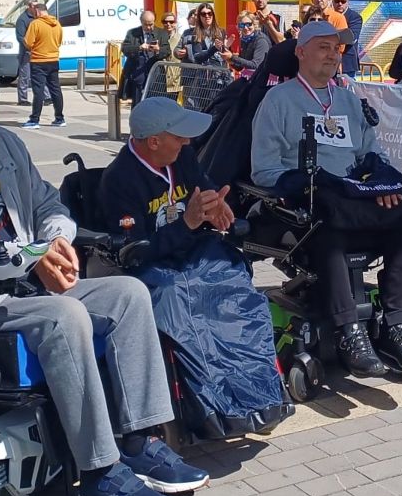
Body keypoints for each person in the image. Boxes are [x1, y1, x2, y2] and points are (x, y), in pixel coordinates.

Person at [0, 61, 209, 496]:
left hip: (27, 283)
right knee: (65, 315)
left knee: (128, 294)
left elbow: (48, 203)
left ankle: (141, 439)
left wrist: (57, 238)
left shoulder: (4, 144)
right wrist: (26, 254)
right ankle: (99, 473)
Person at [97, 97, 288, 438]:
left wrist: (216, 203)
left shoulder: (180, 157)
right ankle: (216, 405)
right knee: (183, 302)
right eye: (179, 136)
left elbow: (202, 186)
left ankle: (261, 393)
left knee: (234, 287)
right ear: (154, 141)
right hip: (156, 266)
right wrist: (187, 223)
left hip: (195, 254)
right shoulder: (119, 180)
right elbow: (134, 253)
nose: (188, 141)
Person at [250, 20, 402, 377]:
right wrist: (305, 182)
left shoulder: (348, 100)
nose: (333, 55)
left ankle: (399, 324)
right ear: (301, 52)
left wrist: (383, 184)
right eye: (324, 47)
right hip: (302, 207)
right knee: (327, 225)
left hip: (350, 199)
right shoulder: (278, 101)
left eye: (337, 49)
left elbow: (371, 154)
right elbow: (263, 171)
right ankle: (349, 331)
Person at [22, 0, 65, 128]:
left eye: (34, 12)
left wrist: (34, 47)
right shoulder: (57, 23)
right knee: (55, 89)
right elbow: (59, 41)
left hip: (38, 60)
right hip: (53, 59)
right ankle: (60, 118)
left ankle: (34, 119)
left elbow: (28, 42)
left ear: (38, 11)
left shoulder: (35, 24)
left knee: (38, 91)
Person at [120, 9, 171, 104]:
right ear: (141, 22)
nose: (148, 27)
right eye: (145, 24)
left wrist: (158, 50)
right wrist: (139, 47)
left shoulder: (161, 33)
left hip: (156, 77)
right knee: (138, 105)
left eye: (151, 24)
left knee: (155, 105)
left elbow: (167, 51)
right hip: (138, 76)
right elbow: (125, 49)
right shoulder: (132, 33)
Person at [332, 0, 363, 77]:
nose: (340, 4)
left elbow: (351, 38)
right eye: (337, 1)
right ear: (332, 2)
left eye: (343, 1)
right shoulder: (328, 15)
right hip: (328, 62)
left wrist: (328, 37)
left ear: (347, 2)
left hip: (346, 64)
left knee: (347, 90)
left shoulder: (355, 17)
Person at [231, 11, 270, 76]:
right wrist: (229, 59)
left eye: (248, 24)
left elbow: (255, 65)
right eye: (242, 25)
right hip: (250, 77)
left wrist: (233, 57)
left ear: (254, 24)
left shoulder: (261, 41)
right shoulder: (244, 39)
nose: (245, 28)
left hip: (262, 78)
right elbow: (239, 67)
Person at [14, 0, 36, 107]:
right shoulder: (22, 19)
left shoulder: (38, 17)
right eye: (34, 6)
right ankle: (22, 99)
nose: (36, 8)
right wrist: (29, 46)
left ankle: (47, 97)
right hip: (27, 52)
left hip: (37, 52)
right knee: (24, 76)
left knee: (39, 75)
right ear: (29, 6)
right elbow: (20, 37)